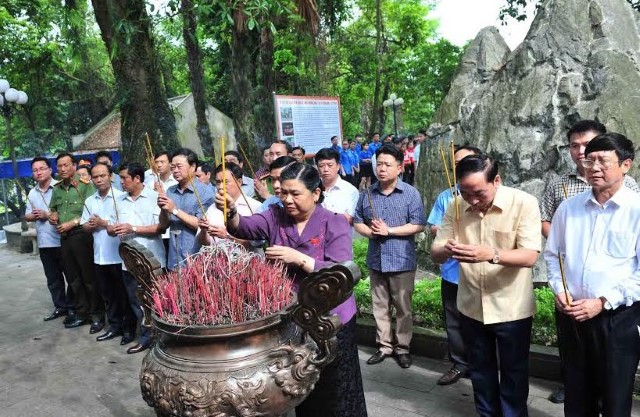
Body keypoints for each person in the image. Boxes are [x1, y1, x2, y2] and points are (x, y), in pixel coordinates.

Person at [218, 162, 367, 417]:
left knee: (334, 387)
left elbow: (342, 273)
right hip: (292, 317)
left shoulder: (335, 223)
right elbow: (243, 227)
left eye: (295, 193)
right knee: (298, 384)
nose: (287, 199)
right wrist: (231, 212)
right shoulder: (275, 216)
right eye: (283, 193)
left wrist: (298, 258)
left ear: (316, 193)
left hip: (330, 320)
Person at [431, 154, 541, 417]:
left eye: (479, 193)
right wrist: (446, 248)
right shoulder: (456, 205)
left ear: (497, 180)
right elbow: (435, 252)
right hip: (470, 304)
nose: (472, 200)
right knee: (480, 370)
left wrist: (490, 254)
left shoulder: (523, 203)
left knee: (514, 372)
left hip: (511, 307)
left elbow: (529, 255)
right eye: (465, 192)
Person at [539, 119, 640, 404]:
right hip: (572, 315)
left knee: (614, 395)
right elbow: (553, 255)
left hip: (617, 317)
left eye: (603, 161)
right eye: (589, 160)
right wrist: (559, 290)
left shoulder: (636, 210)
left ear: (625, 165)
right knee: (577, 392)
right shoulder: (569, 209)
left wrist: (603, 301)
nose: (593, 167)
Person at [354, 145, 426, 369]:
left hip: (401, 260)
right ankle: (384, 346)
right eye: (379, 164)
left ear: (399, 167)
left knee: (403, 308)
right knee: (379, 307)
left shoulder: (410, 194)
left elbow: (419, 225)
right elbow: (357, 221)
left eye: (387, 164)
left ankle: (403, 348)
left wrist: (390, 231)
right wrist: (371, 232)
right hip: (377, 260)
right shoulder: (367, 194)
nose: (381, 169)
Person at [427, 144, 481, 386]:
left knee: (480, 321)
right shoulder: (446, 196)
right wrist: (451, 226)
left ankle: (482, 363)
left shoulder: (486, 193)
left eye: (466, 160)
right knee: (454, 321)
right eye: (456, 162)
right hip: (452, 271)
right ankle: (460, 363)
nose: (460, 166)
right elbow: (434, 228)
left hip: (481, 272)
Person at [111, 162, 166, 354]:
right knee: (137, 302)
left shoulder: (154, 198)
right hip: (129, 262)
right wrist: (111, 228)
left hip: (152, 261)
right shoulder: (119, 200)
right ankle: (146, 338)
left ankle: (163, 340)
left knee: (158, 301)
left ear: (137, 178)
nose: (122, 182)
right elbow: (112, 227)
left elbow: (160, 228)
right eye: (120, 178)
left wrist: (132, 228)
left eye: (125, 178)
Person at [81, 162, 133, 340]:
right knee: (108, 295)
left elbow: (124, 227)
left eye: (102, 175)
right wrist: (89, 225)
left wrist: (104, 223)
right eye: (95, 177)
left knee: (123, 295)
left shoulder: (121, 198)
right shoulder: (89, 200)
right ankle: (114, 326)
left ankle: (128, 329)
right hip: (99, 256)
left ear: (111, 176)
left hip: (118, 256)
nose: (99, 180)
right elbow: (84, 226)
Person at [48, 153, 100, 330]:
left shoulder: (85, 186)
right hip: (64, 238)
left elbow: (93, 211)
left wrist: (74, 222)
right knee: (73, 278)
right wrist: (53, 215)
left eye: (66, 165)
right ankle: (81, 313)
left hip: (81, 235)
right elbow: (53, 208)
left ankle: (97, 315)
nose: (62, 169)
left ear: (74, 166)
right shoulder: (57, 189)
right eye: (59, 166)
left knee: (88, 277)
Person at [25, 156, 74, 323]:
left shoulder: (60, 188)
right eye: (35, 170)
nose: (38, 172)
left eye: (41, 169)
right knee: (53, 279)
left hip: (62, 240)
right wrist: (34, 215)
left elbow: (70, 212)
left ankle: (73, 308)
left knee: (71, 276)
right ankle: (60, 307)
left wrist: (48, 215)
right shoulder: (32, 192)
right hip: (45, 243)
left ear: (50, 170)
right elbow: (27, 215)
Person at [157, 148, 215, 270]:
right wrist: (163, 209)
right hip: (174, 259)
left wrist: (174, 210)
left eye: (179, 166)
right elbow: (163, 225)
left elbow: (202, 226)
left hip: (197, 261)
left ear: (193, 167)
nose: (175, 171)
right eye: (173, 167)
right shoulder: (170, 191)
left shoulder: (205, 193)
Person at [197, 162, 262, 251]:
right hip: (218, 262)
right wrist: (203, 231)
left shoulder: (255, 207)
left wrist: (227, 236)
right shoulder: (213, 208)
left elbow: (257, 243)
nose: (221, 187)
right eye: (218, 182)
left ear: (239, 182)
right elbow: (204, 243)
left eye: (226, 182)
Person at [315, 148, 359, 225]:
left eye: (330, 165)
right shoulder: (312, 189)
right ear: (317, 167)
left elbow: (353, 219)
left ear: (338, 166)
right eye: (321, 166)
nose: (326, 169)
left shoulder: (350, 191)